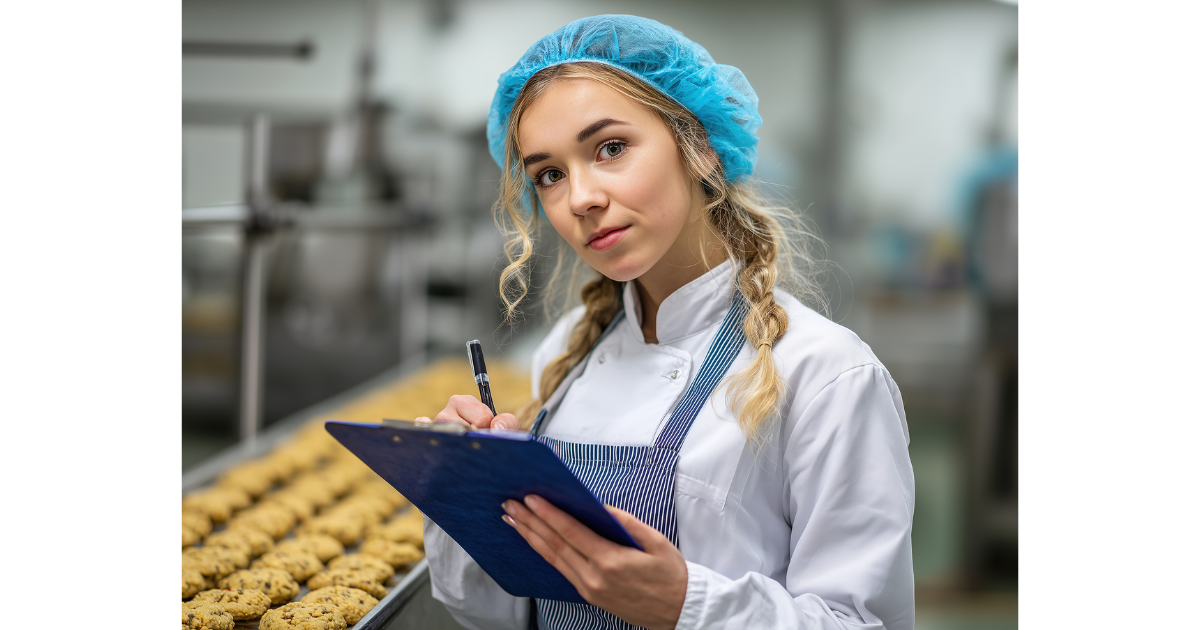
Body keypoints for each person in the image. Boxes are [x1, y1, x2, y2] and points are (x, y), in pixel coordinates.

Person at [415, 14, 915, 630]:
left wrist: (685, 605)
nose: (580, 198)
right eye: (550, 174)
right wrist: (464, 496)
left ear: (699, 146)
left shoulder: (824, 374)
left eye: (611, 148)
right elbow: (510, 614)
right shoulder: (567, 351)